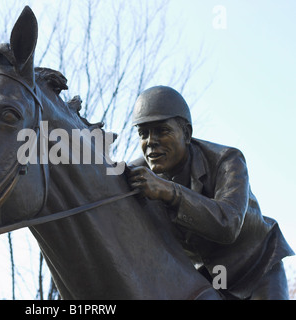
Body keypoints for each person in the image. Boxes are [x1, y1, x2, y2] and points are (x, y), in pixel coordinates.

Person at [126, 86, 294, 300]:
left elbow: (228, 223)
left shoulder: (227, 160)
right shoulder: (138, 175)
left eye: (161, 131)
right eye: (143, 133)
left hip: (257, 267)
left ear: (186, 134)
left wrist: (170, 192)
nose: (150, 141)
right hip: (208, 277)